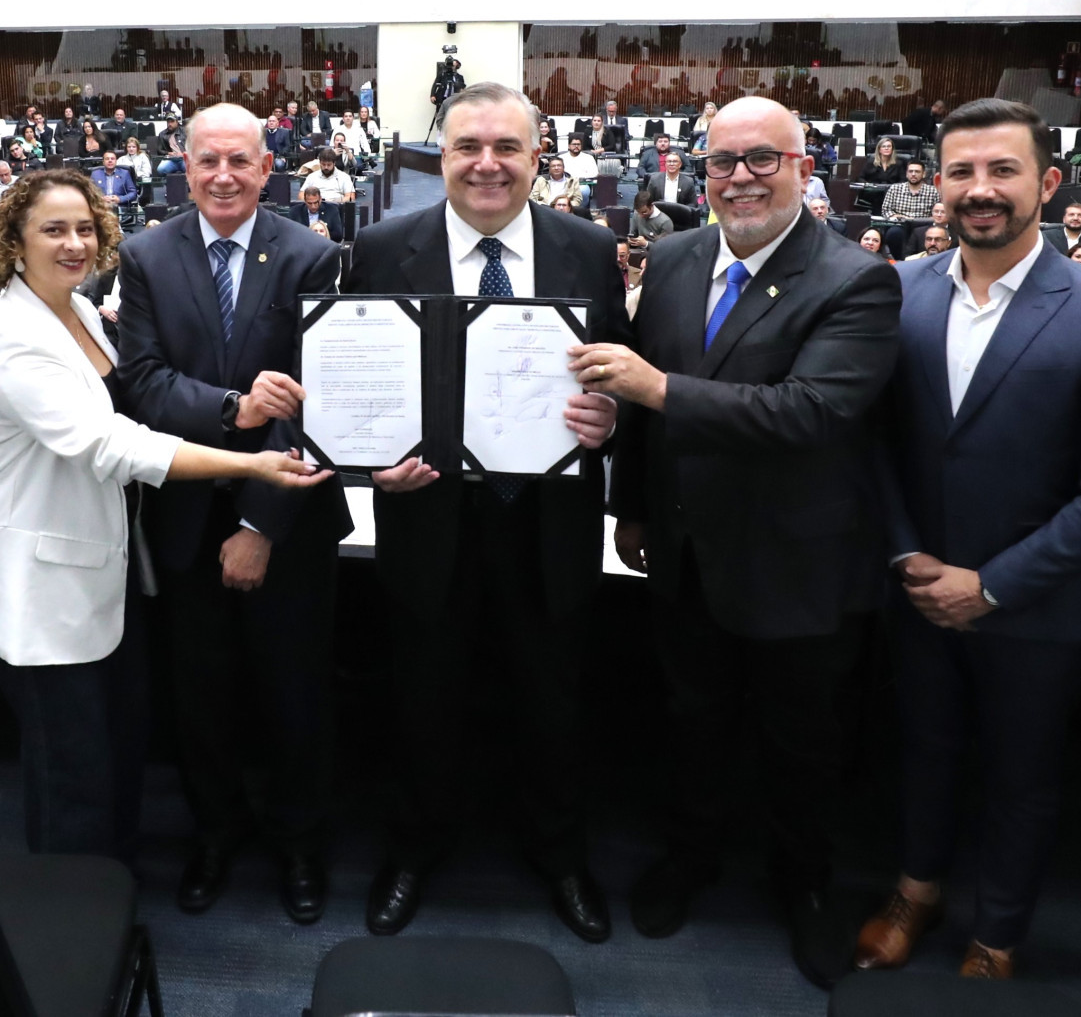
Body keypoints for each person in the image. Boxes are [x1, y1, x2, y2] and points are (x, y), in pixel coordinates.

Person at [570, 100, 900, 987]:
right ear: (697, 172)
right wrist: (631, 508)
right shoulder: (676, 258)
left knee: (803, 745)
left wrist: (655, 386)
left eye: (762, 159)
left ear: (802, 165)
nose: (741, 177)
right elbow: (640, 421)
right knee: (692, 725)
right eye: (722, 162)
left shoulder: (855, 279)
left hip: (799, 565)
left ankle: (807, 886)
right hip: (683, 555)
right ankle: (692, 857)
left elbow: (811, 412)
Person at [861, 99, 1081, 979]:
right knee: (921, 752)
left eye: (1001, 170)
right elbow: (873, 446)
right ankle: (914, 893)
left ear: (1046, 182)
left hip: (1038, 605)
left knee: (1020, 779)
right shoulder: (901, 291)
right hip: (916, 587)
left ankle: (995, 934)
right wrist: (906, 556)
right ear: (936, 187)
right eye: (961, 172)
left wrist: (989, 585)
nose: (979, 190)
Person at [0, 168, 329, 865]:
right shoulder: (14, 335)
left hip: (103, 575)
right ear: (12, 240)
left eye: (83, 228)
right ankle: (68, 930)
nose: (73, 244)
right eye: (52, 229)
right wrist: (249, 462)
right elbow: (109, 442)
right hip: (42, 589)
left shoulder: (80, 316)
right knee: (69, 773)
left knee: (110, 757)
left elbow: (142, 391)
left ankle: (105, 908)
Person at [345, 83, 627, 942]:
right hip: (428, 519)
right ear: (443, 155)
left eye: (506, 146)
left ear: (537, 157)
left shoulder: (588, 247)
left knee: (553, 703)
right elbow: (363, 378)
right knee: (421, 701)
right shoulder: (382, 245)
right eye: (468, 146)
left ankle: (560, 857)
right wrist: (370, 458)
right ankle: (413, 851)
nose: (486, 164)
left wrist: (610, 420)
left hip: (551, 524)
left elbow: (621, 377)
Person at [115, 107, 354, 922]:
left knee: (296, 696)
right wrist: (232, 411)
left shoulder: (313, 254)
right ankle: (214, 838)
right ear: (184, 167)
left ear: (266, 167)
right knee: (201, 702)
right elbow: (142, 381)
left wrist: (257, 526)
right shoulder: (145, 255)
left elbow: (317, 396)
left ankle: (299, 847)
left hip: (285, 519)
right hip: (182, 517)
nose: (223, 175)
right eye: (207, 161)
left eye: (239, 162)